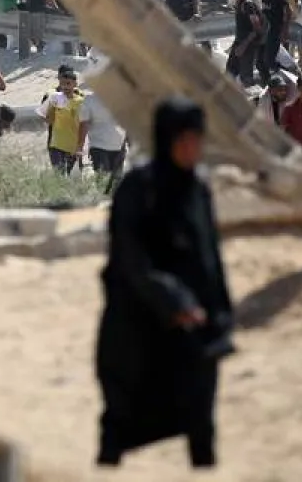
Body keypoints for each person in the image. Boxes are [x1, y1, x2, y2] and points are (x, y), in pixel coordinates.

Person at [96, 98, 234, 470]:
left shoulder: (197, 190)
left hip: (195, 327)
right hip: (140, 324)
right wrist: (174, 300)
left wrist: (221, 313)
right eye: (185, 140)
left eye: (198, 140)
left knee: (200, 416)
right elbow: (131, 258)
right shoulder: (139, 189)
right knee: (124, 417)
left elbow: (209, 256)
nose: (194, 149)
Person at [42, 64, 88, 174]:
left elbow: (85, 122)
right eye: (63, 77)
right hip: (56, 140)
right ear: (59, 77)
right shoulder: (51, 94)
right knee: (59, 174)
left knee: (74, 174)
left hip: (73, 142)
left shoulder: (80, 96)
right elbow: (45, 117)